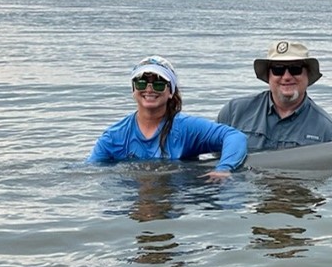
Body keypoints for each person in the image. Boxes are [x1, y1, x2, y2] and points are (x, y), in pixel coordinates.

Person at [88, 55, 247, 178]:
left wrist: (224, 168)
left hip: (176, 194)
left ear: (170, 91)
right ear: (133, 89)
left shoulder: (186, 128)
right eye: (142, 83)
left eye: (158, 84)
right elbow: (90, 170)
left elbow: (234, 136)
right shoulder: (114, 136)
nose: (149, 90)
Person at [216, 40, 332, 151]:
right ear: (268, 75)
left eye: (296, 69)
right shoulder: (233, 112)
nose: (287, 77)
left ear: (308, 75)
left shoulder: (329, 132)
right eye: (278, 69)